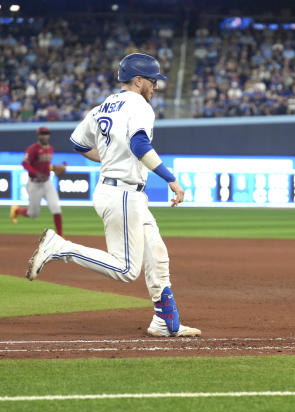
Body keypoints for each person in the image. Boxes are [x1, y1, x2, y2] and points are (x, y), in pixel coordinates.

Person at [25, 53, 200, 338]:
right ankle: (60, 248)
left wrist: (108, 159)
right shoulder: (139, 105)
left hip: (119, 191)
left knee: (156, 252)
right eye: (152, 80)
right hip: (122, 194)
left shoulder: (103, 106)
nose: (156, 86)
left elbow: (77, 142)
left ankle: (164, 321)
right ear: (138, 80)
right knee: (127, 270)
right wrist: (172, 180)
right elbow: (140, 144)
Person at [10, 127, 64, 236]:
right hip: (34, 184)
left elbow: (45, 165)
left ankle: (60, 236)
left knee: (56, 208)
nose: (45, 136)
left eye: (47, 133)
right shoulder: (33, 149)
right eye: (42, 134)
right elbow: (25, 163)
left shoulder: (50, 149)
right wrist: (35, 172)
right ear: (38, 135)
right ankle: (16, 210)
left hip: (47, 183)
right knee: (33, 214)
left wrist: (53, 168)